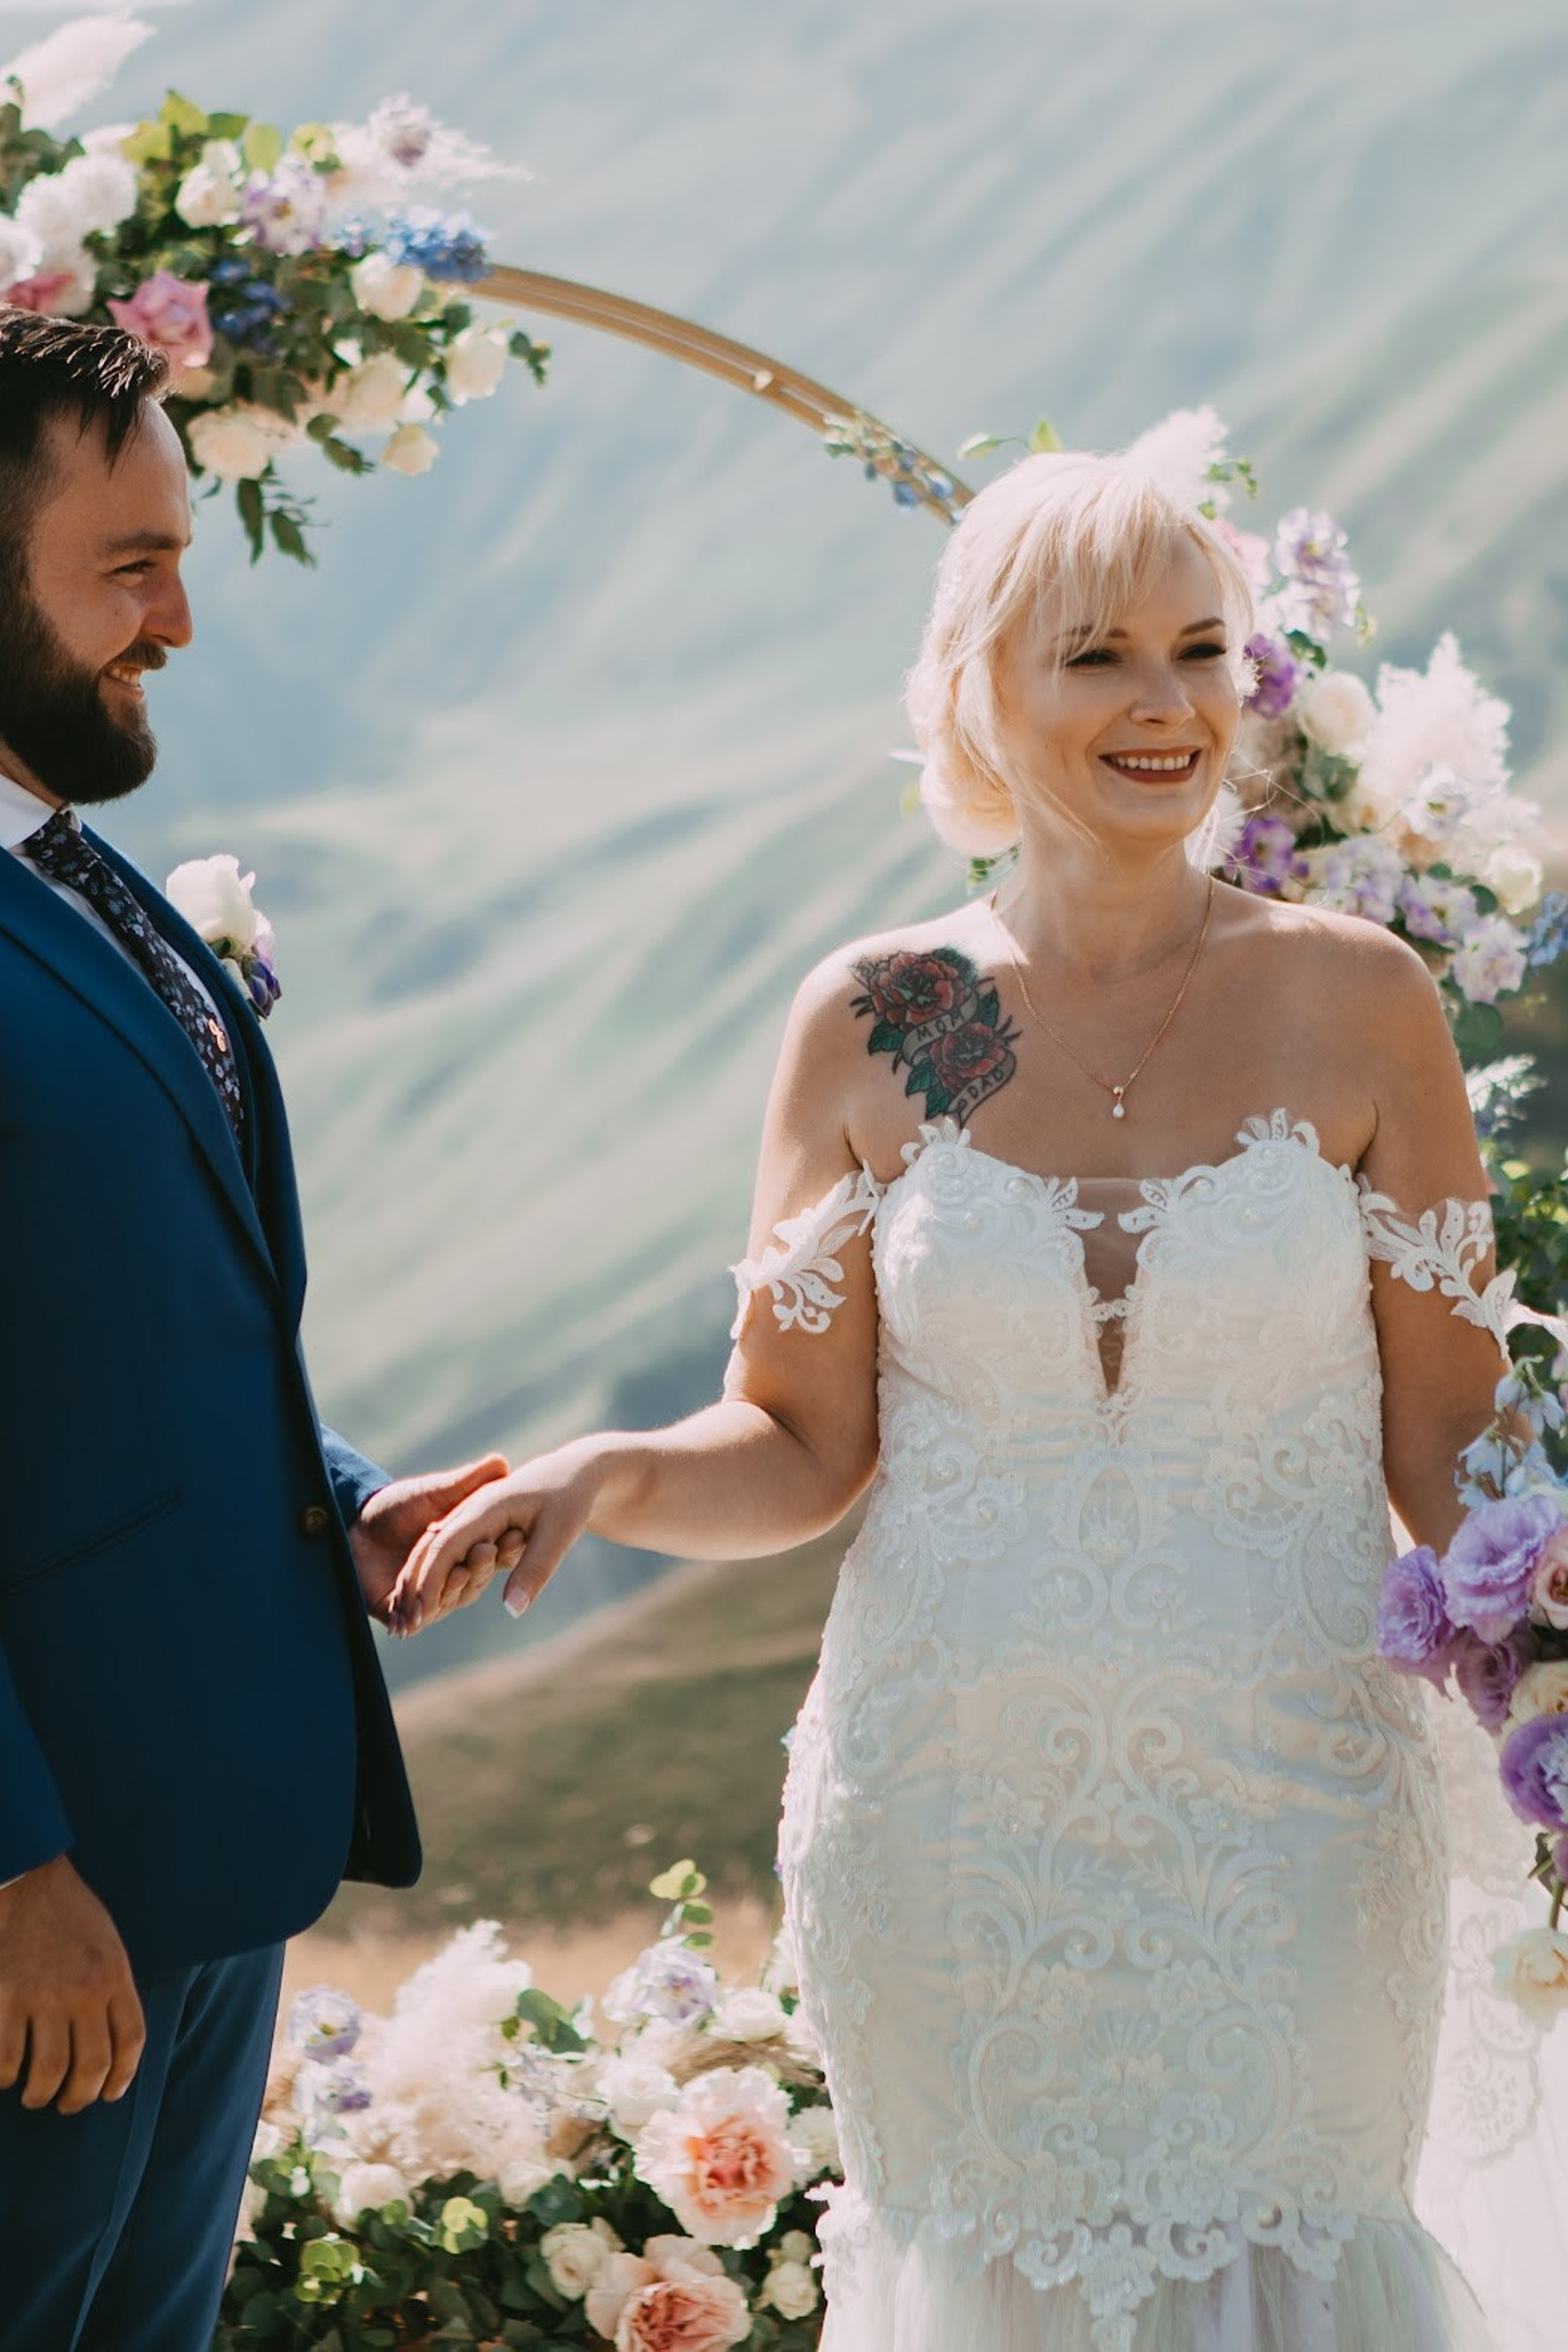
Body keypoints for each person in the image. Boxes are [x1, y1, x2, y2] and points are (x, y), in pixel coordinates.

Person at [393, 450, 1560, 2348]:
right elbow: (801, 1439)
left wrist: (1551, 1626)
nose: (1165, 704)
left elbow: (1452, 1441)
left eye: (1199, 651)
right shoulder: (905, 1018)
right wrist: (609, 1471)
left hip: (1295, 1824)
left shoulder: (1356, 1004)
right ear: (977, 696)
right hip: (949, 1829)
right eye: (1098, 656)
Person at [0, 310, 514, 2352]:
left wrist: (347, 1502)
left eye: (182, 553)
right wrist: (13, 1866)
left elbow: (102, 1344)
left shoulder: (77, 873)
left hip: (199, 1860)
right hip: (52, 1907)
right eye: (130, 568)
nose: (182, 621)